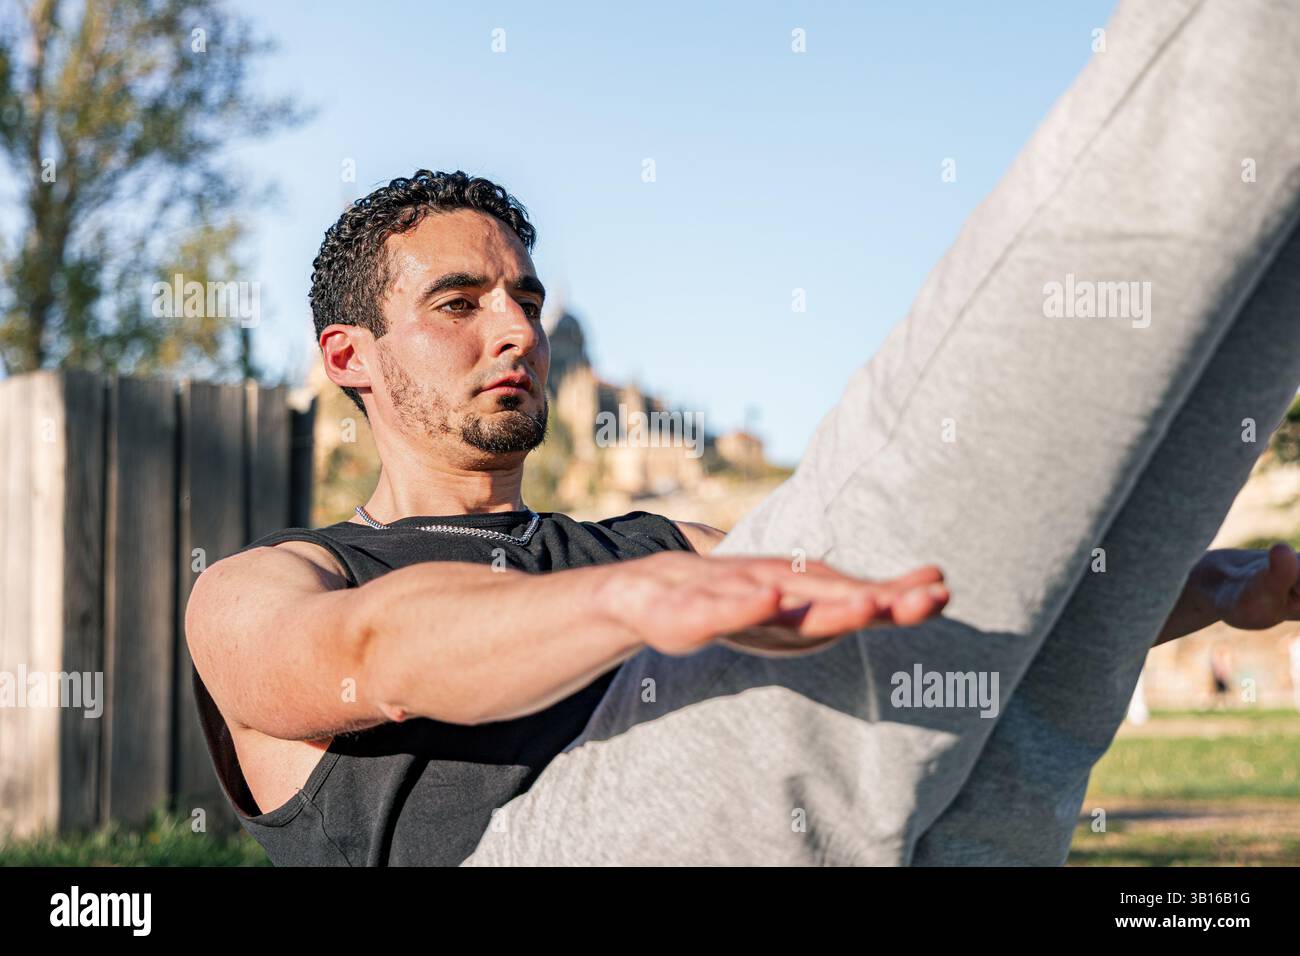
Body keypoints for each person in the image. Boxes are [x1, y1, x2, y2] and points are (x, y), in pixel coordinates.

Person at [186, 0, 1300, 866]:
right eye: (459, 302)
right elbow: (372, 656)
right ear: (349, 356)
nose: (516, 327)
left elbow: (912, 600)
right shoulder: (269, 583)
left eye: (525, 298)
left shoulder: (646, 544)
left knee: (950, 650)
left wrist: (1207, 589)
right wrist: (627, 604)